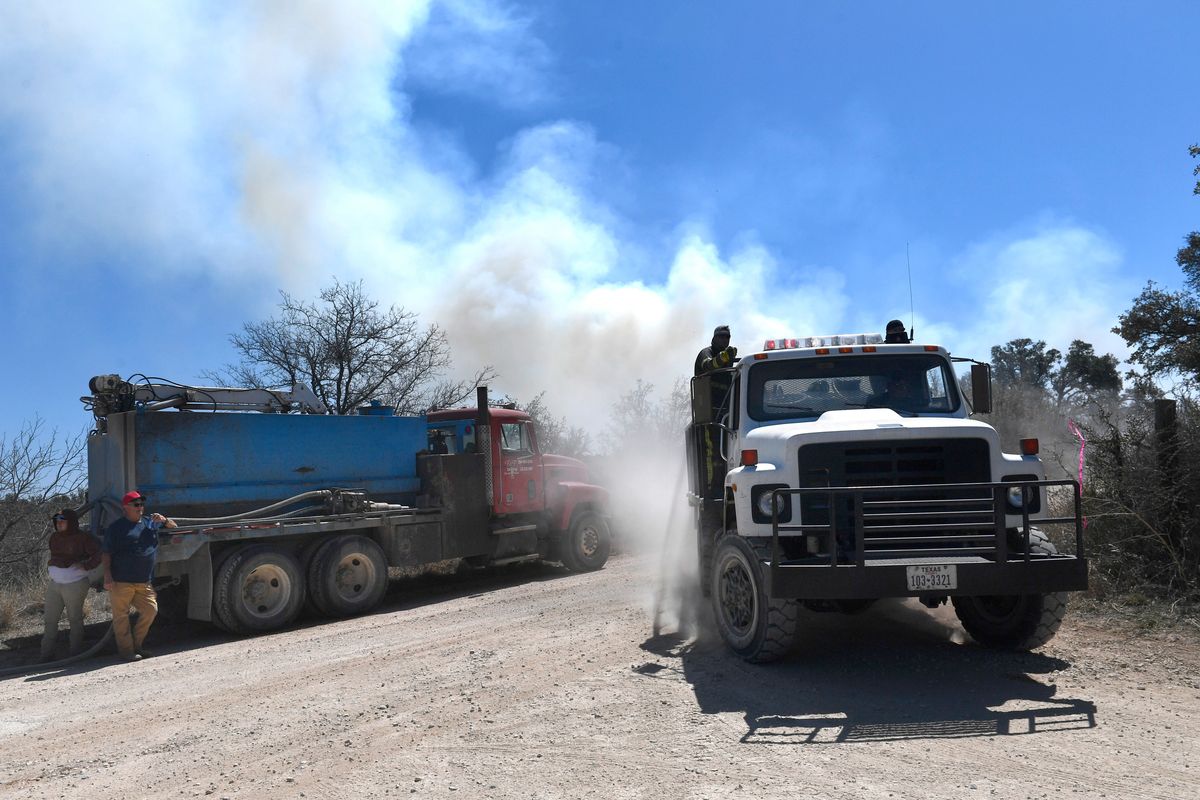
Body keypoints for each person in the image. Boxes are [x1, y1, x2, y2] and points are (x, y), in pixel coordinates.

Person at [102, 490, 177, 661]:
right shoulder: (116, 528)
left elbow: (174, 526)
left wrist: (164, 520)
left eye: (141, 504)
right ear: (125, 508)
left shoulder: (150, 523)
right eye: (136, 504)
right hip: (121, 582)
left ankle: (137, 645)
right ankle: (127, 652)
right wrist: (107, 575)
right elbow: (106, 553)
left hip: (144, 582)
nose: (140, 507)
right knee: (121, 617)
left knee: (151, 610)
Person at [39, 508, 101, 661]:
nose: (59, 524)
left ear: (71, 522)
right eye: (57, 521)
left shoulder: (83, 538)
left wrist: (86, 566)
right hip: (55, 584)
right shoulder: (54, 537)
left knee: (74, 619)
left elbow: (99, 554)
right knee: (50, 619)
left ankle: (76, 654)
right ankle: (46, 654)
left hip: (75, 583)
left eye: (63, 521)